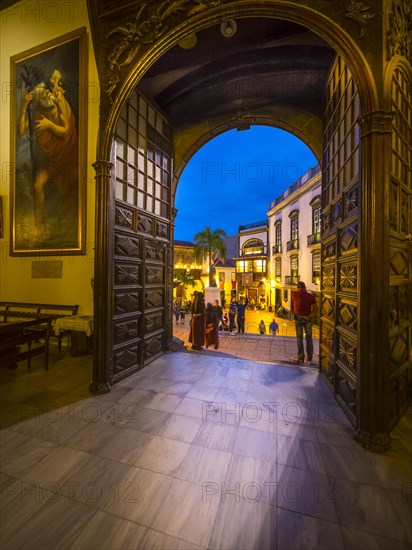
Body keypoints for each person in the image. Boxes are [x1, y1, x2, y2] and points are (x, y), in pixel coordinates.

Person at [18, 72, 78, 227]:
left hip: (64, 157)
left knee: (67, 191)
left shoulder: (59, 104)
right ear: (39, 101)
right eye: (44, 93)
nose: (49, 93)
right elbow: (21, 131)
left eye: (47, 91)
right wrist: (24, 106)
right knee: (37, 186)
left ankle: (66, 223)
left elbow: (65, 130)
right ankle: (38, 222)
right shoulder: (38, 112)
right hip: (48, 161)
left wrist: (49, 125)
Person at [291, 281, 317, 363]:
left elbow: (294, 304)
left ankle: (301, 357)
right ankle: (309, 358)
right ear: (305, 287)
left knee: (299, 338)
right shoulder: (311, 296)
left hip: (298, 318)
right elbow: (315, 309)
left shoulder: (294, 294)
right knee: (309, 338)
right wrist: (309, 317)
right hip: (307, 319)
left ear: (298, 287)